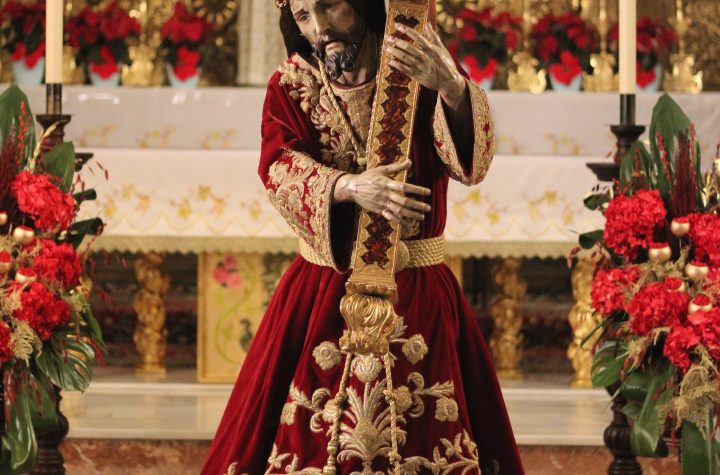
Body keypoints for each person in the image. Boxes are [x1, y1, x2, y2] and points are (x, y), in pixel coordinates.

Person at [202, 0, 524, 473]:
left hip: (416, 290)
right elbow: (277, 166)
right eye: (303, 17)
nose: (320, 28)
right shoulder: (292, 84)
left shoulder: (416, 63)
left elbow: (471, 167)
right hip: (323, 293)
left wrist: (452, 88)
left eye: (330, 7)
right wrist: (348, 187)